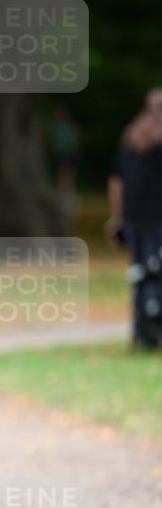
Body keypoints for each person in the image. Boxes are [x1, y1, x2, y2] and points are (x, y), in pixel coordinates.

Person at [106, 87, 162, 350]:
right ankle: (151, 328)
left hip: (134, 218)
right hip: (154, 219)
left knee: (140, 274)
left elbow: (116, 182)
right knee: (153, 272)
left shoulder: (130, 136)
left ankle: (141, 331)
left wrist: (117, 216)